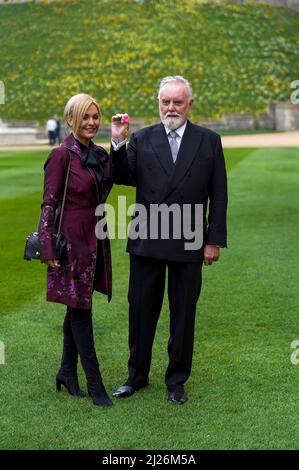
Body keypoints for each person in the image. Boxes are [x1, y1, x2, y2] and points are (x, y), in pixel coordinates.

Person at [110, 76, 228, 405]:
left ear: (189, 104)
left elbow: (218, 194)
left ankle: (176, 381)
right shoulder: (142, 138)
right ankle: (136, 376)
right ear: (158, 103)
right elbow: (122, 177)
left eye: (177, 102)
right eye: (165, 101)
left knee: (183, 313)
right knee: (141, 311)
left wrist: (213, 240)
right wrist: (118, 143)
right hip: (148, 238)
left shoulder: (208, 140)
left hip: (189, 239)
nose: (171, 108)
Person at [38, 93, 113, 407]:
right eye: (85, 117)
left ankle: (67, 372)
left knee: (76, 305)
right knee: (82, 310)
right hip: (70, 242)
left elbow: (108, 184)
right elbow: (49, 202)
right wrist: (46, 246)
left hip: (93, 236)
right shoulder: (62, 155)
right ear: (71, 120)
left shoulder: (97, 153)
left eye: (95, 117)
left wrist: (119, 145)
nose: (92, 123)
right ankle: (96, 387)